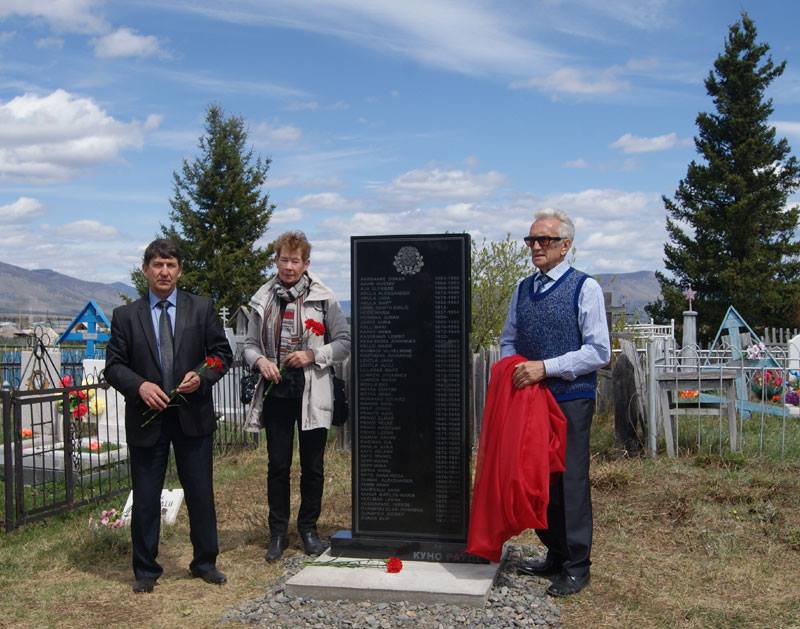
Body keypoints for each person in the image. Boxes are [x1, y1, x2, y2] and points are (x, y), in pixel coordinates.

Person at [105, 239, 232, 593]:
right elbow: (113, 367)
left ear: (180, 270)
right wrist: (140, 386)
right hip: (147, 418)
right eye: (158, 265)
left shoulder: (201, 308)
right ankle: (146, 570)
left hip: (194, 416)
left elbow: (221, 355)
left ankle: (205, 562)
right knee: (146, 497)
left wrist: (202, 376)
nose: (164, 271)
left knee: (200, 493)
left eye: (171, 265)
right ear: (145, 269)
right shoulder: (126, 316)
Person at [499, 208, 610, 597]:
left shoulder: (585, 288)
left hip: (571, 398)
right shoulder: (522, 289)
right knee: (538, 477)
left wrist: (544, 368)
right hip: (531, 400)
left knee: (570, 480)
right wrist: (513, 367)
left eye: (543, 240)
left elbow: (598, 351)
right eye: (531, 240)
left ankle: (577, 565)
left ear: (565, 246)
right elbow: (508, 339)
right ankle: (555, 553)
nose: (535, 246)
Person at [244, 230, 350, 562]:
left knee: (313, 466)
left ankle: (308, 529)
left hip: (312, 391)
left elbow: (345, 343)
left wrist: (312, 355)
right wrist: (260, 361)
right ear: (276, 261)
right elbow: (249, 345)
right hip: (276, 392)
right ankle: (277, 533)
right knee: (277, 465)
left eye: (295, 261)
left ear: (306, 263)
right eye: (283, 260)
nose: (288, 267)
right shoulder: (262, 298)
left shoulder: (324, 298)